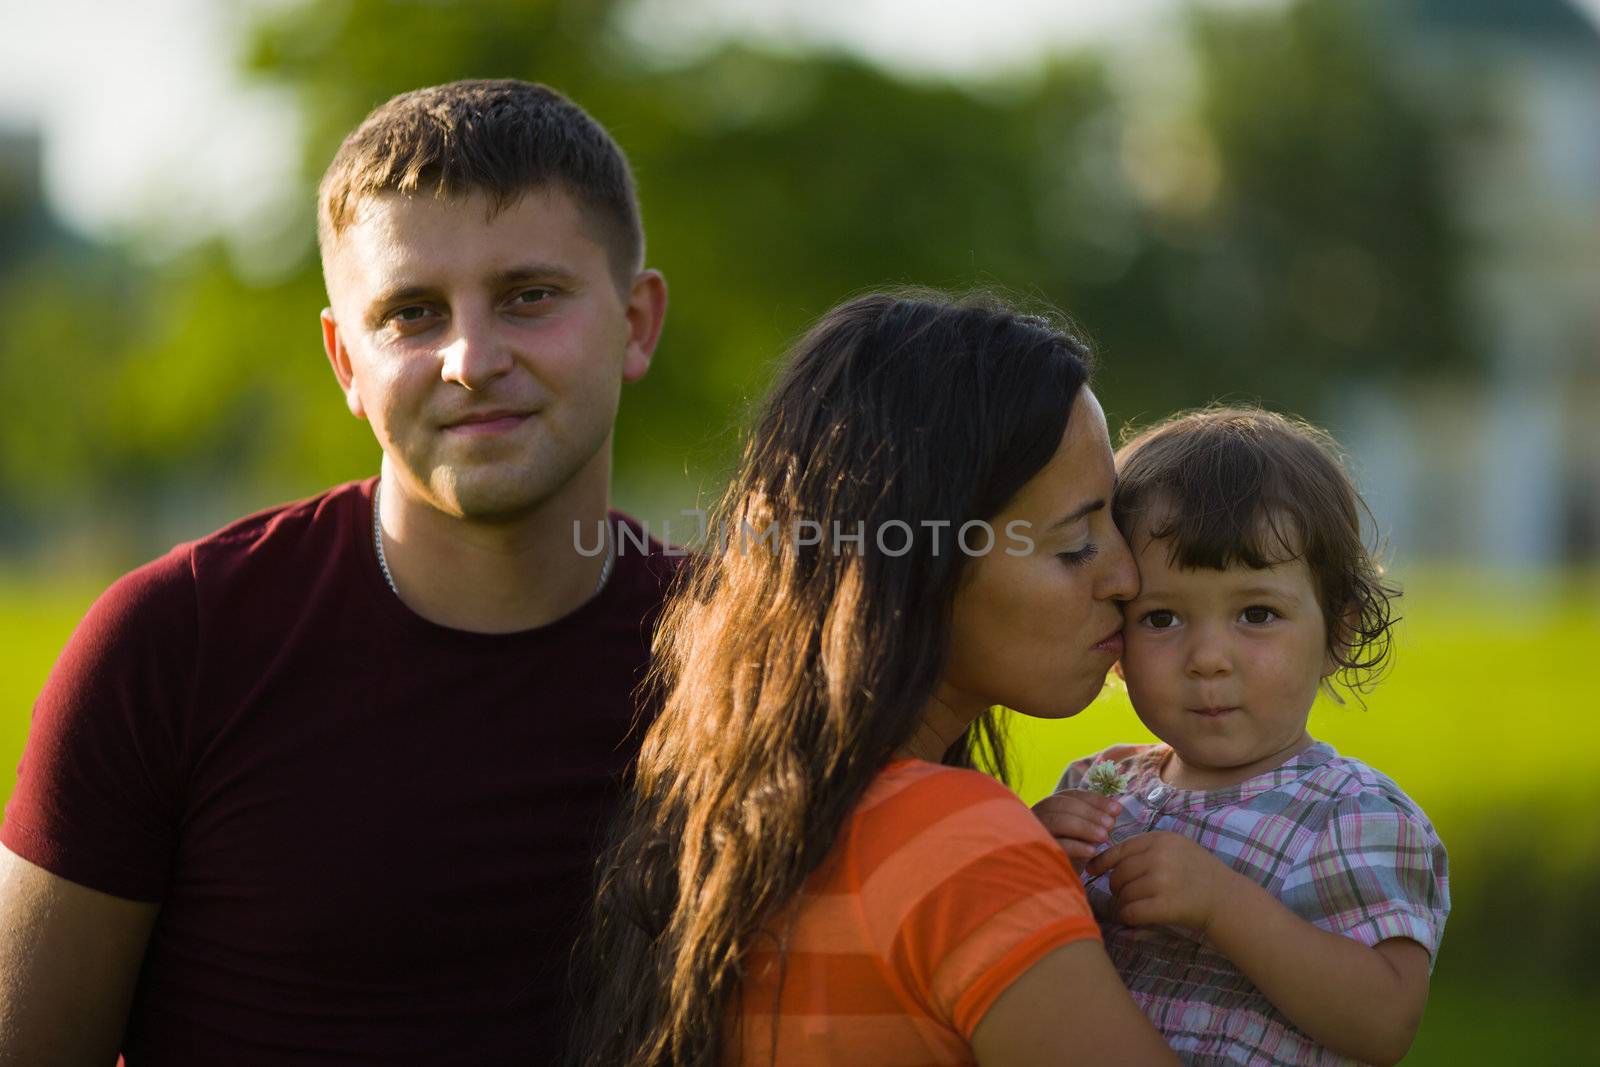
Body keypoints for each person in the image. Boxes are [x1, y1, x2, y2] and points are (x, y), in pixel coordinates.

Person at [0, 79, 674, 1065]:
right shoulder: (174, 644)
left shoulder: (746, 653)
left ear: (637, 322)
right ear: (344, 361)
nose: (470, 359)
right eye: (411, 313)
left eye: (529, 296)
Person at [570, 291, 1178, 1067]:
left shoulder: (722, 828)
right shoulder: (961, 846)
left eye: (1114, 526)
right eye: (1073, 545)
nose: (1127, 575)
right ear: (922, 567)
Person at [1036, 407, 1450, 1066]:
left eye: (1257, 613)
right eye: (1162, 617)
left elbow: (1384, 1020)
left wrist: (1222, 904)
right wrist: (1037, 860)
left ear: (1337, 632)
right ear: (1117, 638)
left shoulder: (1352, 815)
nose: (1207, 657)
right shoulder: (1097, 786)